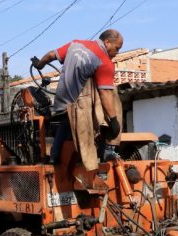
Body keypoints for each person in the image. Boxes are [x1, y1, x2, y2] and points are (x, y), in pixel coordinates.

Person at [32, 29, 124, 169]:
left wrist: (40, 65)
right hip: (80, 107)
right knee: (112, 92)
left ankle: (54, 156)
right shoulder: (104, 61)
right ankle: (108, 149)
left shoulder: (75, 44)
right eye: (117, 48)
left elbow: (51, 55)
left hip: (61, 103)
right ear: (107, 43)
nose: (117, 53)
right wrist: (114, 120)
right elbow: (105, 94)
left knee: (65, 123)